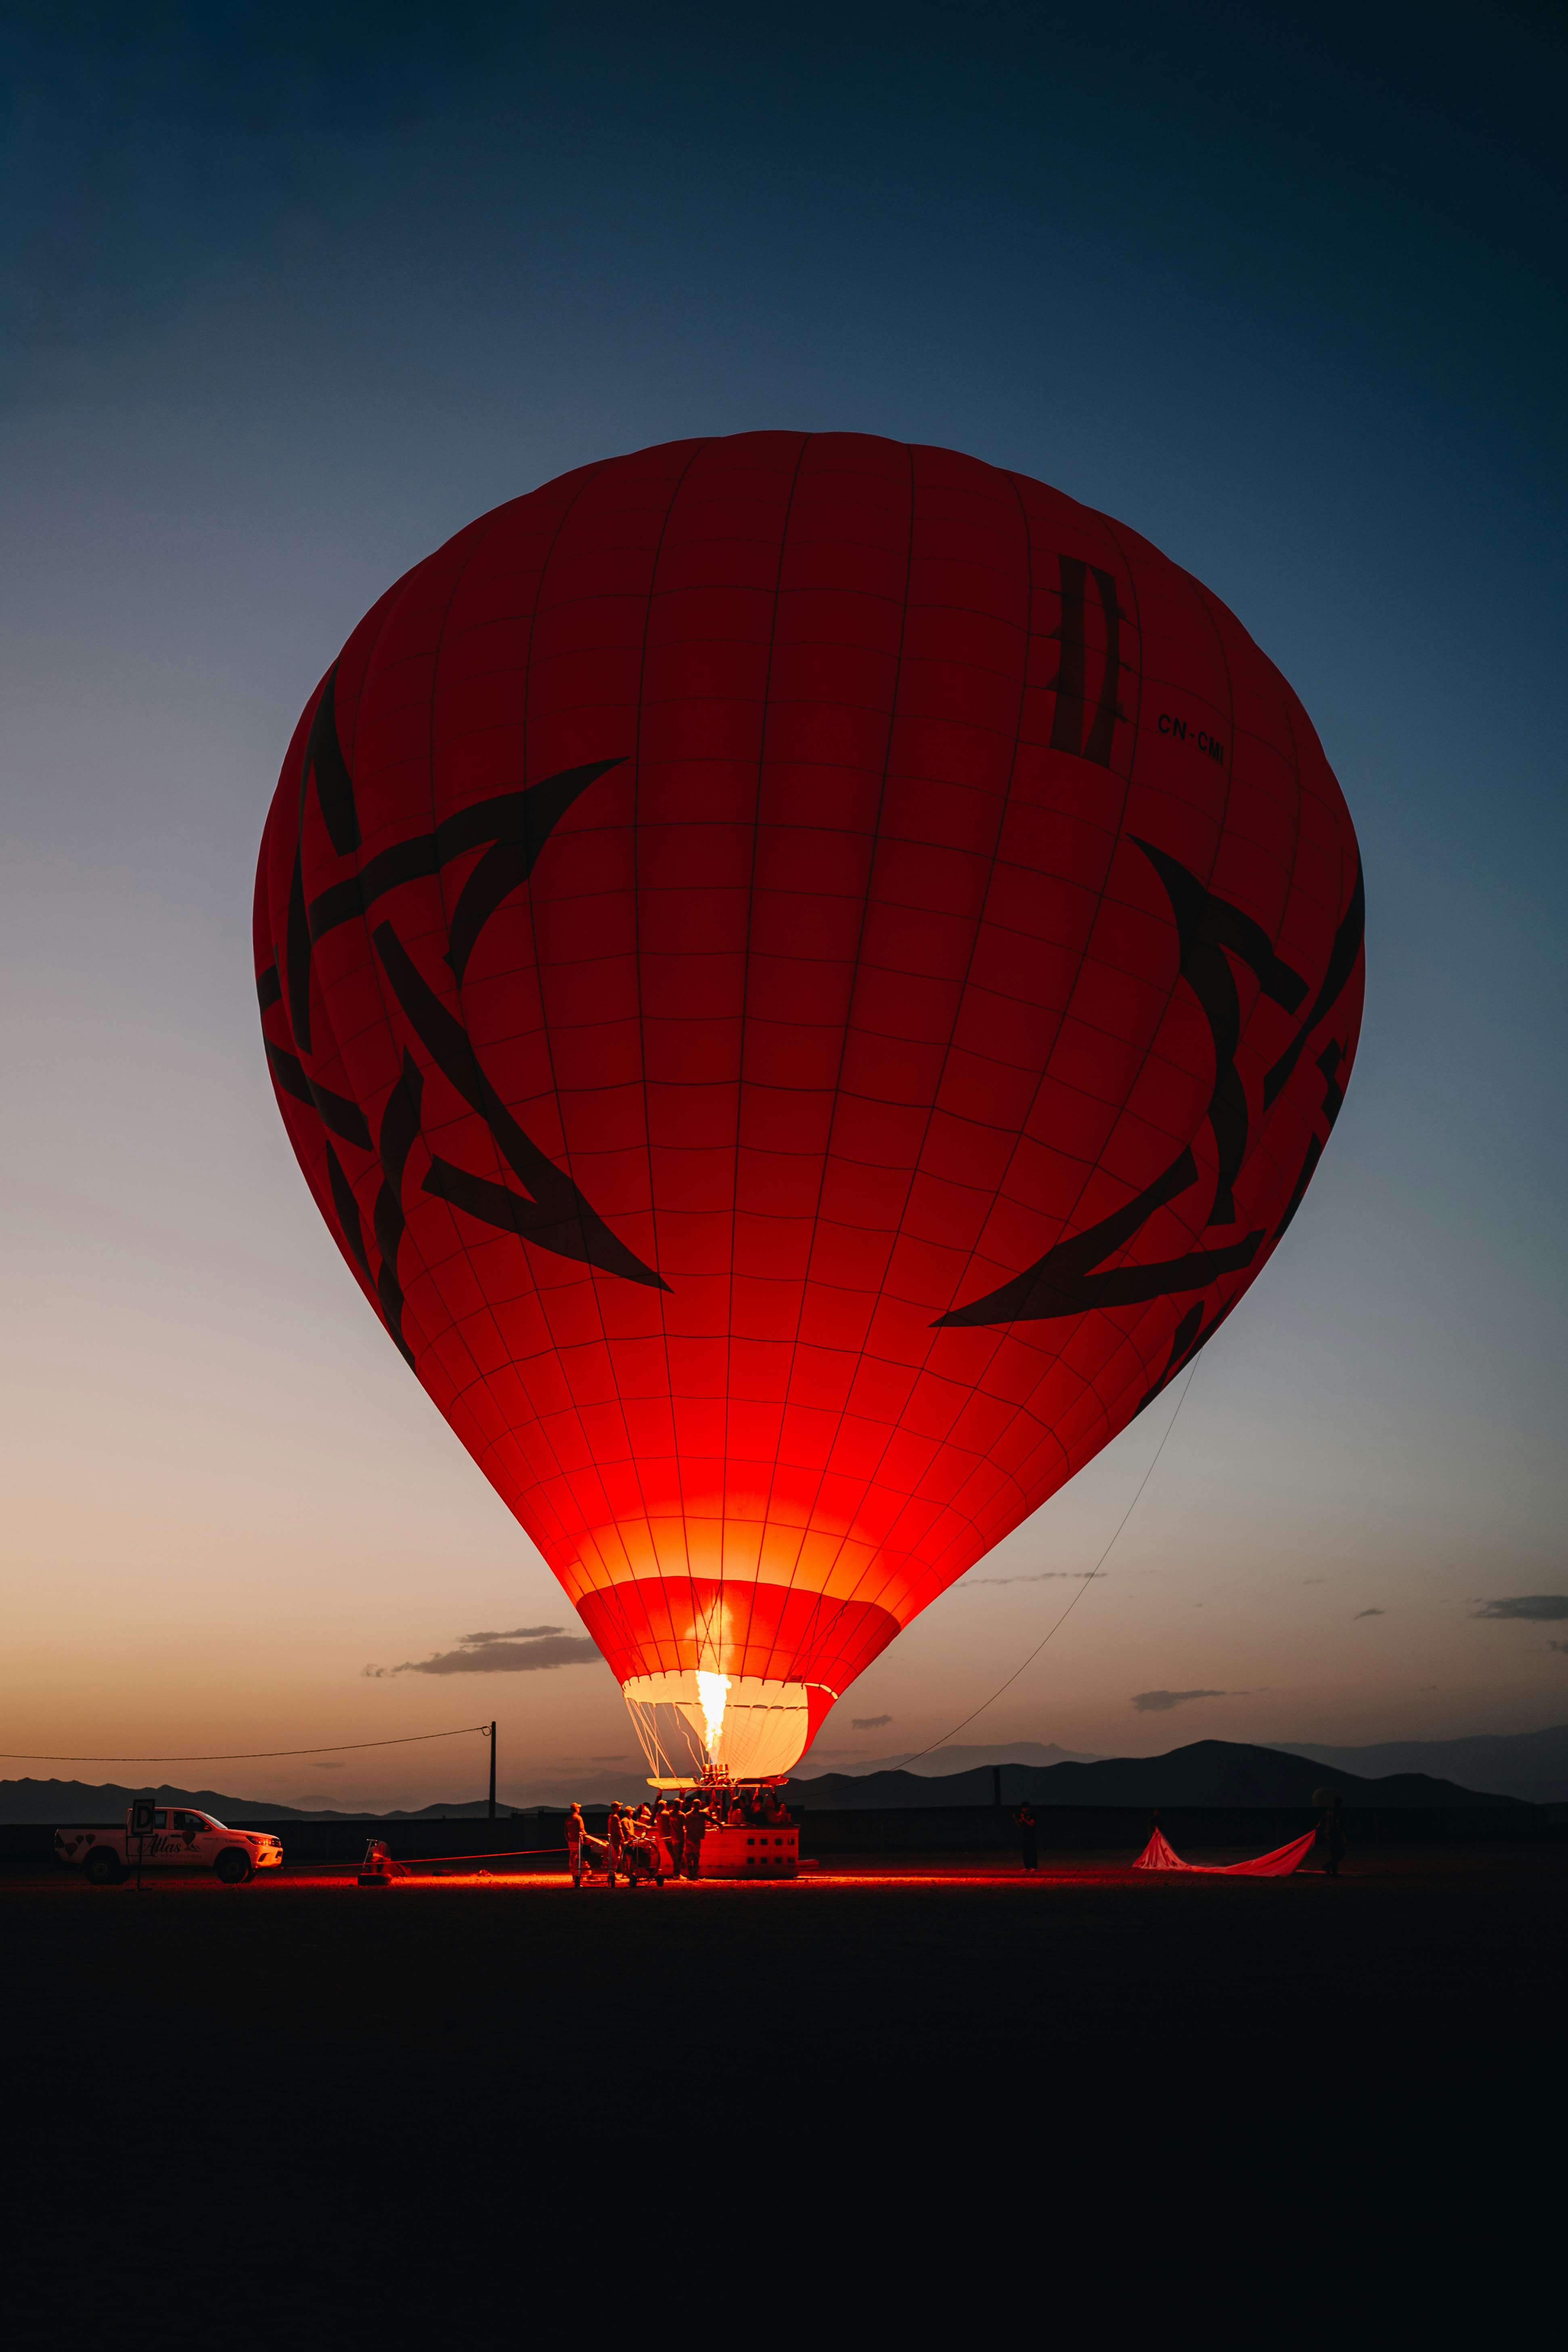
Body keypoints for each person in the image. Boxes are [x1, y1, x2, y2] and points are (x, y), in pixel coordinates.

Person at [1319, 1793, 1346, 1878]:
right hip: (1333, 1834)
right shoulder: (1337, 1810)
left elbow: (1323, 1818)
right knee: (1341, 1853)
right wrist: (1343, 1836)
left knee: (1334, 1853)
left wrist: (1319, 1825)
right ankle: (1328, 1865)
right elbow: (1339, 1823)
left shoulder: (1329, 1809)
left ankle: (1334, 1871)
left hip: (1327, 1834)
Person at [1014, 1801, 1038, 1873]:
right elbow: (1019, 1825)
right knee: (1025, 1852)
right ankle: (1027, 1867)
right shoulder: (1024, 1815)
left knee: (1033, 1852)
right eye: (1023, 1809)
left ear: (1028, 1808)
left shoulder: (1032, 1815)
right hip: (1025, 1836)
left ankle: (1034, 1867)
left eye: (1025, 1809)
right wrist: (1016, 1819)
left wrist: (1024, 1819)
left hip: (1032, 1836)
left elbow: (1032, 1824)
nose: (1024, 1810)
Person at [565, 1802, 585, 1888]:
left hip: (571, 1842)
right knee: (580, 1858)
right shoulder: (578, 1818)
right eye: (579, 1808)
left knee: (572, 1858)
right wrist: (588, 1838)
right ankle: (581, 1875)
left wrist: (569, 1841)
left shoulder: (568, 1819)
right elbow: (582, 1831)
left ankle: (574, 1875)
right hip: (578, 1842)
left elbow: (566, 1832)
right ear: (577, 1809)